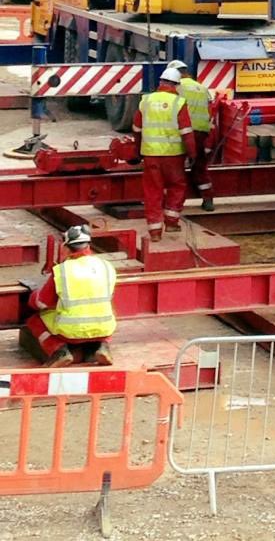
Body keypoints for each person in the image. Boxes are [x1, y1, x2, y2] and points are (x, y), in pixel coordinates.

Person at [20, 225, 117, 367]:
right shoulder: (106, 266)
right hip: (104, 329)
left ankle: (59, 351)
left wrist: (33, 297)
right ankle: (104, 347)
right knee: (107, 315)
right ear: (88, 246)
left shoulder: (62, 271)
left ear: (66, 247)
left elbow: (42, 303)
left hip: (70, 331)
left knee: (34, 321)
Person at [132, 67, 197, 241]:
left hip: (150, 155)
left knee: (153, 191)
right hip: (174, 156)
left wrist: (137, 152)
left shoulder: (146, 101)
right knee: (177, 186)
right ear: (176, 85)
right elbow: (186, 132)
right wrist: (192, 154)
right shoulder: (179, 102)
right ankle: (171, 222)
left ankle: (154, 232)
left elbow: (137, 129)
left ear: (160, 82)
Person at [166, 59, 215, 210]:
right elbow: (210, 111)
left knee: (175, 169)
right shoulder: (202, 88)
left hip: (182, 134)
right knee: (200, 167)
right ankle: (208, 200)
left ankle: (173, 204)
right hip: (201, 134)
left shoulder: (177, 88)